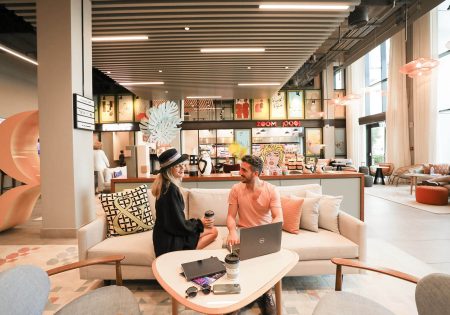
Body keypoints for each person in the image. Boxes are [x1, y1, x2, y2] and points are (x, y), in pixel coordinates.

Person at [226, 155, 282, 315]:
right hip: (243, 234)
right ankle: (237, 297)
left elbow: (278, 216)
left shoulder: (271, 190)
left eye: (244, 170)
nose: (239, 172)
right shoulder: (236, 189)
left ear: (256, 173)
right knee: (233, 262)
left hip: (264, 235)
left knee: (268, 261)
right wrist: (231, 231)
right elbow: (230, 216)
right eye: (240, 168)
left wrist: (271, 231)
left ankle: (267, 293)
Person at [152, 148, 218, 257]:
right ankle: (186, 255)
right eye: (178, 165)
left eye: (182, 164)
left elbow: (175, 220)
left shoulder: (164, 185)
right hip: (171, 241)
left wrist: (198, 223)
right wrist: (200, 222)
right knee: (214, 231)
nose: (183, 167)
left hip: (164, 236)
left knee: (211, 230)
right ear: (169, 170)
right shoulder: (171, 190)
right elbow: (179, 225)